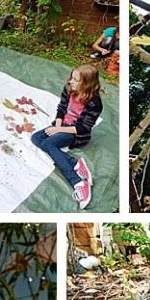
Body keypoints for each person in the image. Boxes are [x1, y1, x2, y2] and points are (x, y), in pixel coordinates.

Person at [31, 65, 102, 210]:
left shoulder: (95, 103)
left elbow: (83, 128)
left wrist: (59, 130)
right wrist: (57, 126)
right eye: (71, 78)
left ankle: (78, 183)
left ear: (87, 84)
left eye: (76, 80)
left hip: (76, 133)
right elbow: (61, 108)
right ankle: (75, 163)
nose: (70, 81)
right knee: (36, 138)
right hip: (62, 125)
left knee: (49, 144)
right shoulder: (69, 89)